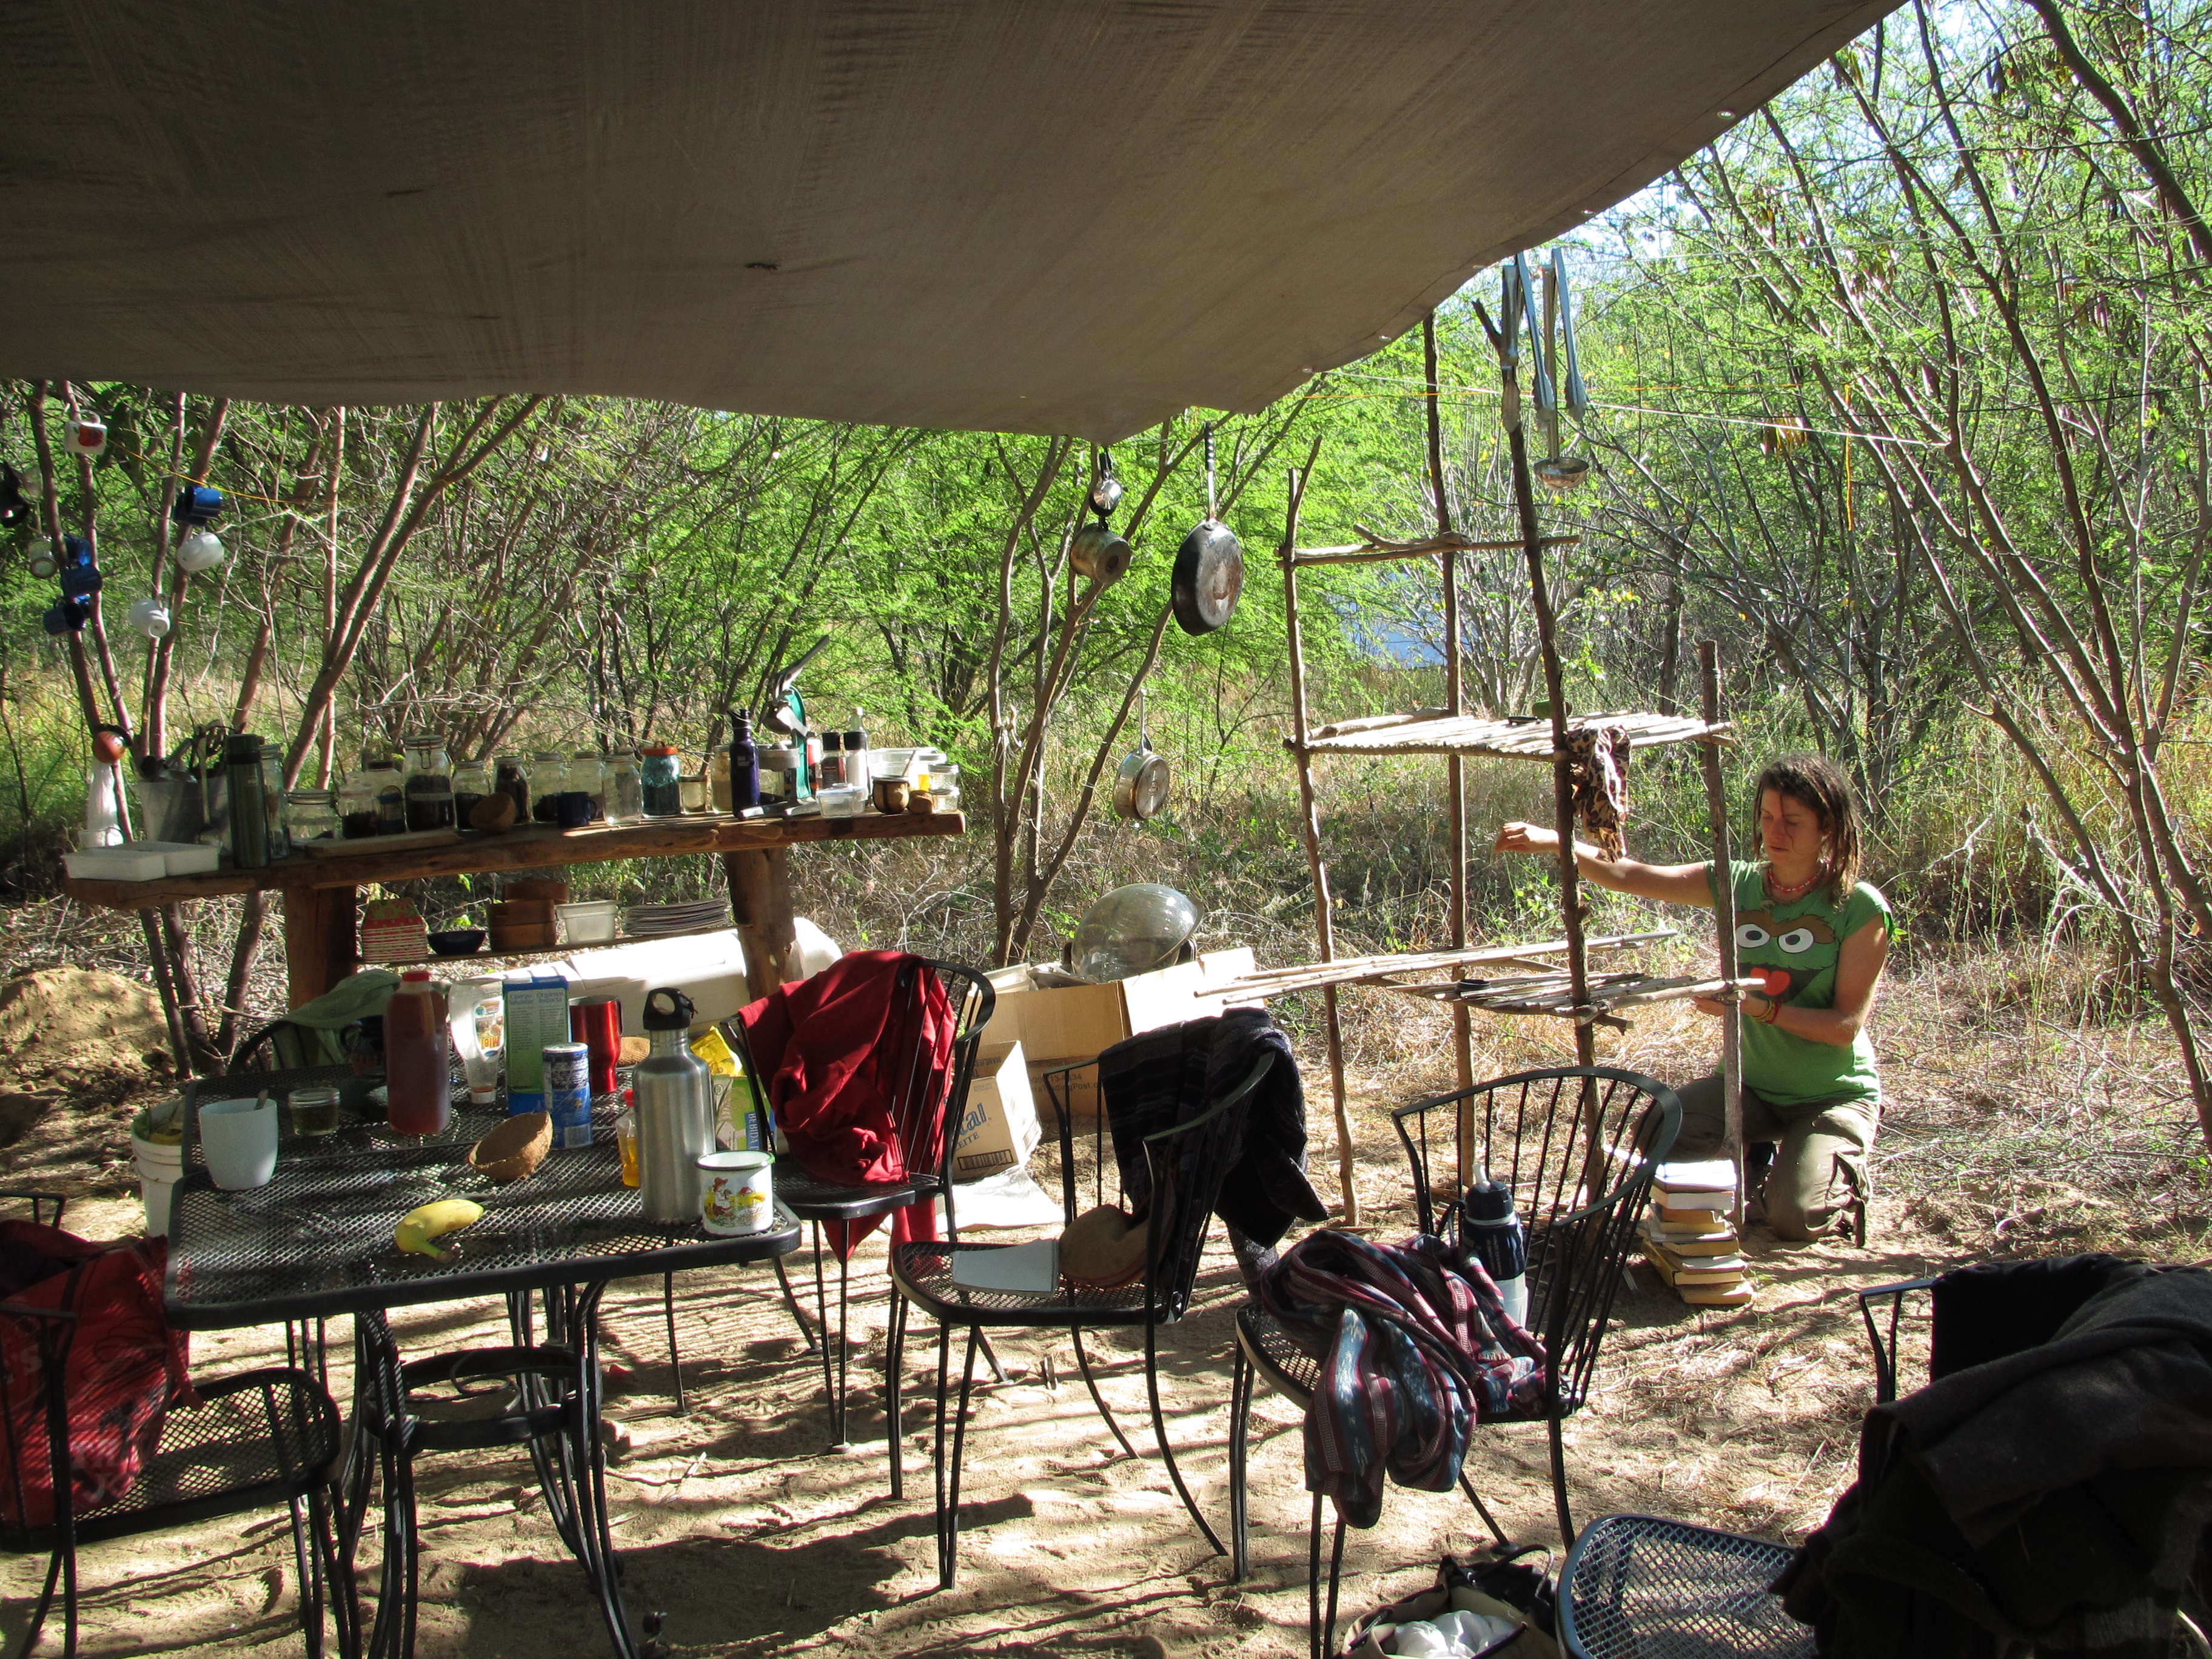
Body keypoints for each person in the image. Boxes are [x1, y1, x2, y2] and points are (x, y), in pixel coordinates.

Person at [1493, 752, 1894, 1241]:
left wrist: (1758, 1007)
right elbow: (1632, 875)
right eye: (1768, 816)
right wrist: (1557, 841)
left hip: (1831, 1097)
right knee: (1657, 1129)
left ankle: (1834, 1175)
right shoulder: (1738, 882)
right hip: (1751, 1088)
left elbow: (1843, 1028)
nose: (1775, 832)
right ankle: (1757, 1160)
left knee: (1795, 1217)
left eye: (1792, 822)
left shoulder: (1858, 907)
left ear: (1826, 826)